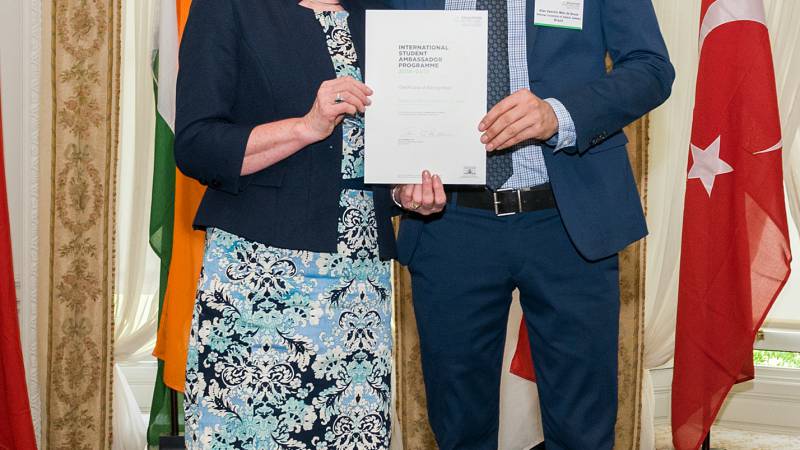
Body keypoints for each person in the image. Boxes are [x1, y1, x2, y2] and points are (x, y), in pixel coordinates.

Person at [388, 0, 675, 449]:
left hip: (569, 221)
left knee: (583, 431)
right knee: (459, 429)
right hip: (450, 224)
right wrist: (397, 176)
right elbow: (375, 69)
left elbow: (651, 68)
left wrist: (559, 115)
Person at [174, 1, 444, 448]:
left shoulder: (379, 12)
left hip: (360, 286)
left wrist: (405, 192)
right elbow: (196, 144)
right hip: (259, 279)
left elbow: (380, 150)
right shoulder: (228, 7)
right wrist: (306, 126)